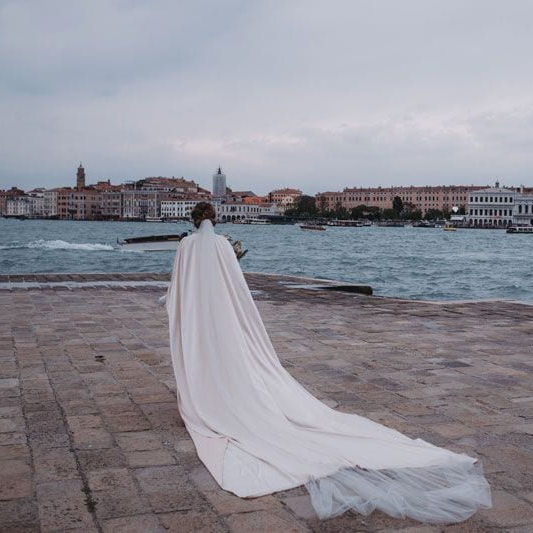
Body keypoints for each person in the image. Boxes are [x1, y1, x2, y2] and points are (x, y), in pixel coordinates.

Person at [166, 202, 491, 523]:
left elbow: (179, 286)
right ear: (215, 219)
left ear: (194, 220)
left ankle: (208, 387)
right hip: (224, 314)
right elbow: (237, 288)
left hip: (199, 315)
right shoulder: (223, 245)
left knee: (207, 351)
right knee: (234, 356)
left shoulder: (186, 245)